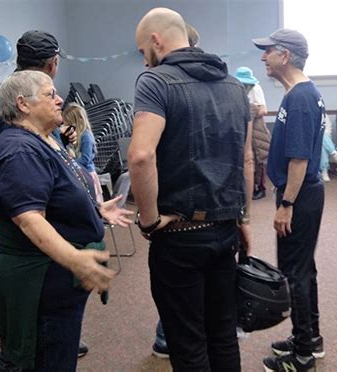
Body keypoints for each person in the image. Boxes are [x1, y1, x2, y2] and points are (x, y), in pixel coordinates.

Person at [129, 8, 253, 371]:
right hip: (225, 230)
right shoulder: (233, 85)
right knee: (223, 336)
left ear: (156, 40)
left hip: (179, 237)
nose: (144, 59)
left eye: (141, 50)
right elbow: (247, 161)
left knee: (187, 342)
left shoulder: (155, 82)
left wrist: (149, 220)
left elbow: (140, 156)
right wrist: (243, 215)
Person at [0, 70, 132, 371]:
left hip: (56, 277)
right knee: (39, 359)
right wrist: (76, 260)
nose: (60, 99)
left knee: (59, 354)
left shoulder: (46, 137)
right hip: (39, 278)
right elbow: (29, 219)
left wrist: (94, 209)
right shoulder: (18, 149)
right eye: (50, 94)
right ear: (23, 104)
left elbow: (57, 192)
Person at [0, 30, 89, 357]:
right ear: (53, 63)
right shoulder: (14, 100)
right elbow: (23, 163)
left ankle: (53, 337)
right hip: (19, 223)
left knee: (45, 317)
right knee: (23, 330)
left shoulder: (30, 96)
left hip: (28, 217)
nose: (57, 100)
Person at [252, 28, 326, 372]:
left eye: (268, 51)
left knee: (294, 272)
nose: (263, 57)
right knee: (303, 268)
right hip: (304, 194)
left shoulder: (300, 97)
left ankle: (302, 357)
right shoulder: (300, 93)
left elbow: (299, 160)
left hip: (299, 195)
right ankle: (310, 339)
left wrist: (286, 205)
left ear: (285, 55)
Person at [235, 66, 271, 200]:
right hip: (242, 125)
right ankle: (247, 188)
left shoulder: (256, 88)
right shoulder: (237, 88)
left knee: (258, 157)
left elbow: (264, 110)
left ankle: (260, 188)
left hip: (256, 127)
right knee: (245, 157)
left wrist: (250, 111)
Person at [62, 103, 103, 203]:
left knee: (93, 202)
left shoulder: (86, 137)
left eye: (69, 124)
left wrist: (70, 163)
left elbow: (85, 159)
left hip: (88, 173)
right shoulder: (80, 136)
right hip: (82, 171)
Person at [319, 115, 337, 182]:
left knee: (322, 144)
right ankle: (334, 154)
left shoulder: (324, 115)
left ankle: (324, 170)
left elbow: (329, 128)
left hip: (325, 139)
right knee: (321, 138)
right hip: (310, 139)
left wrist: (323, 136)